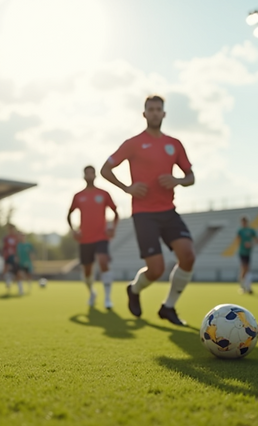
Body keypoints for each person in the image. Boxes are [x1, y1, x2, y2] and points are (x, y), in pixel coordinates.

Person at [100, 95, 195, 326]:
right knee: (156, 270)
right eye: (150, 109)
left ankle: (168, 307)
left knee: (188, 256)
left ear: (164, 114)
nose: (154, 113)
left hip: (168, 211)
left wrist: (177, 180)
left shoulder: (174, 144)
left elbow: (190, 177)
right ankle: (134, 289)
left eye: (158, 109)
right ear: (144, 114)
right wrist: (127, 187)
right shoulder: (133, 143)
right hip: (144, 214)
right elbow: (105, 169)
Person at [68, 164, 119, 308]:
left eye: (92, 173)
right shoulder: (78, 196)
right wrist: (73, 230)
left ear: (95, 175)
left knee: (103, 261)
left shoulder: (104, 194)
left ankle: (108, 298)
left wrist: (112, 228)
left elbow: (115, 212)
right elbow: (69, 214)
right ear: (84, 176)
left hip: (101, 236)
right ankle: (92, 293)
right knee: (87, 271)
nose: (89, 176)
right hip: (85, 239)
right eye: (87, 173)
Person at [236, 217, 258, 294]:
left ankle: (247, 287)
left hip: (248, 253)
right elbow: (237, 241)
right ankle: (244, 287)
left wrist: (251, 244)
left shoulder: (251, 231)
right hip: (242, 252)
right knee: (244, 269)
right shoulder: (240, 231)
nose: (243, 223)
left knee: (247, 270)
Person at [1, 224, 19, 292]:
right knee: (6, 270)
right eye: (10, 229)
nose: (11, 230)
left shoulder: (16, 238)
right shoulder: (6, 238)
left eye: (12, 229)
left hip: (14, 256)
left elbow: (17, 247)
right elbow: (4, 247)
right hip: (7, 256)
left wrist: (17, 256)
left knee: (15, 271)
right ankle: (8, 282)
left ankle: (12, 282)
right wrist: (4, 254)